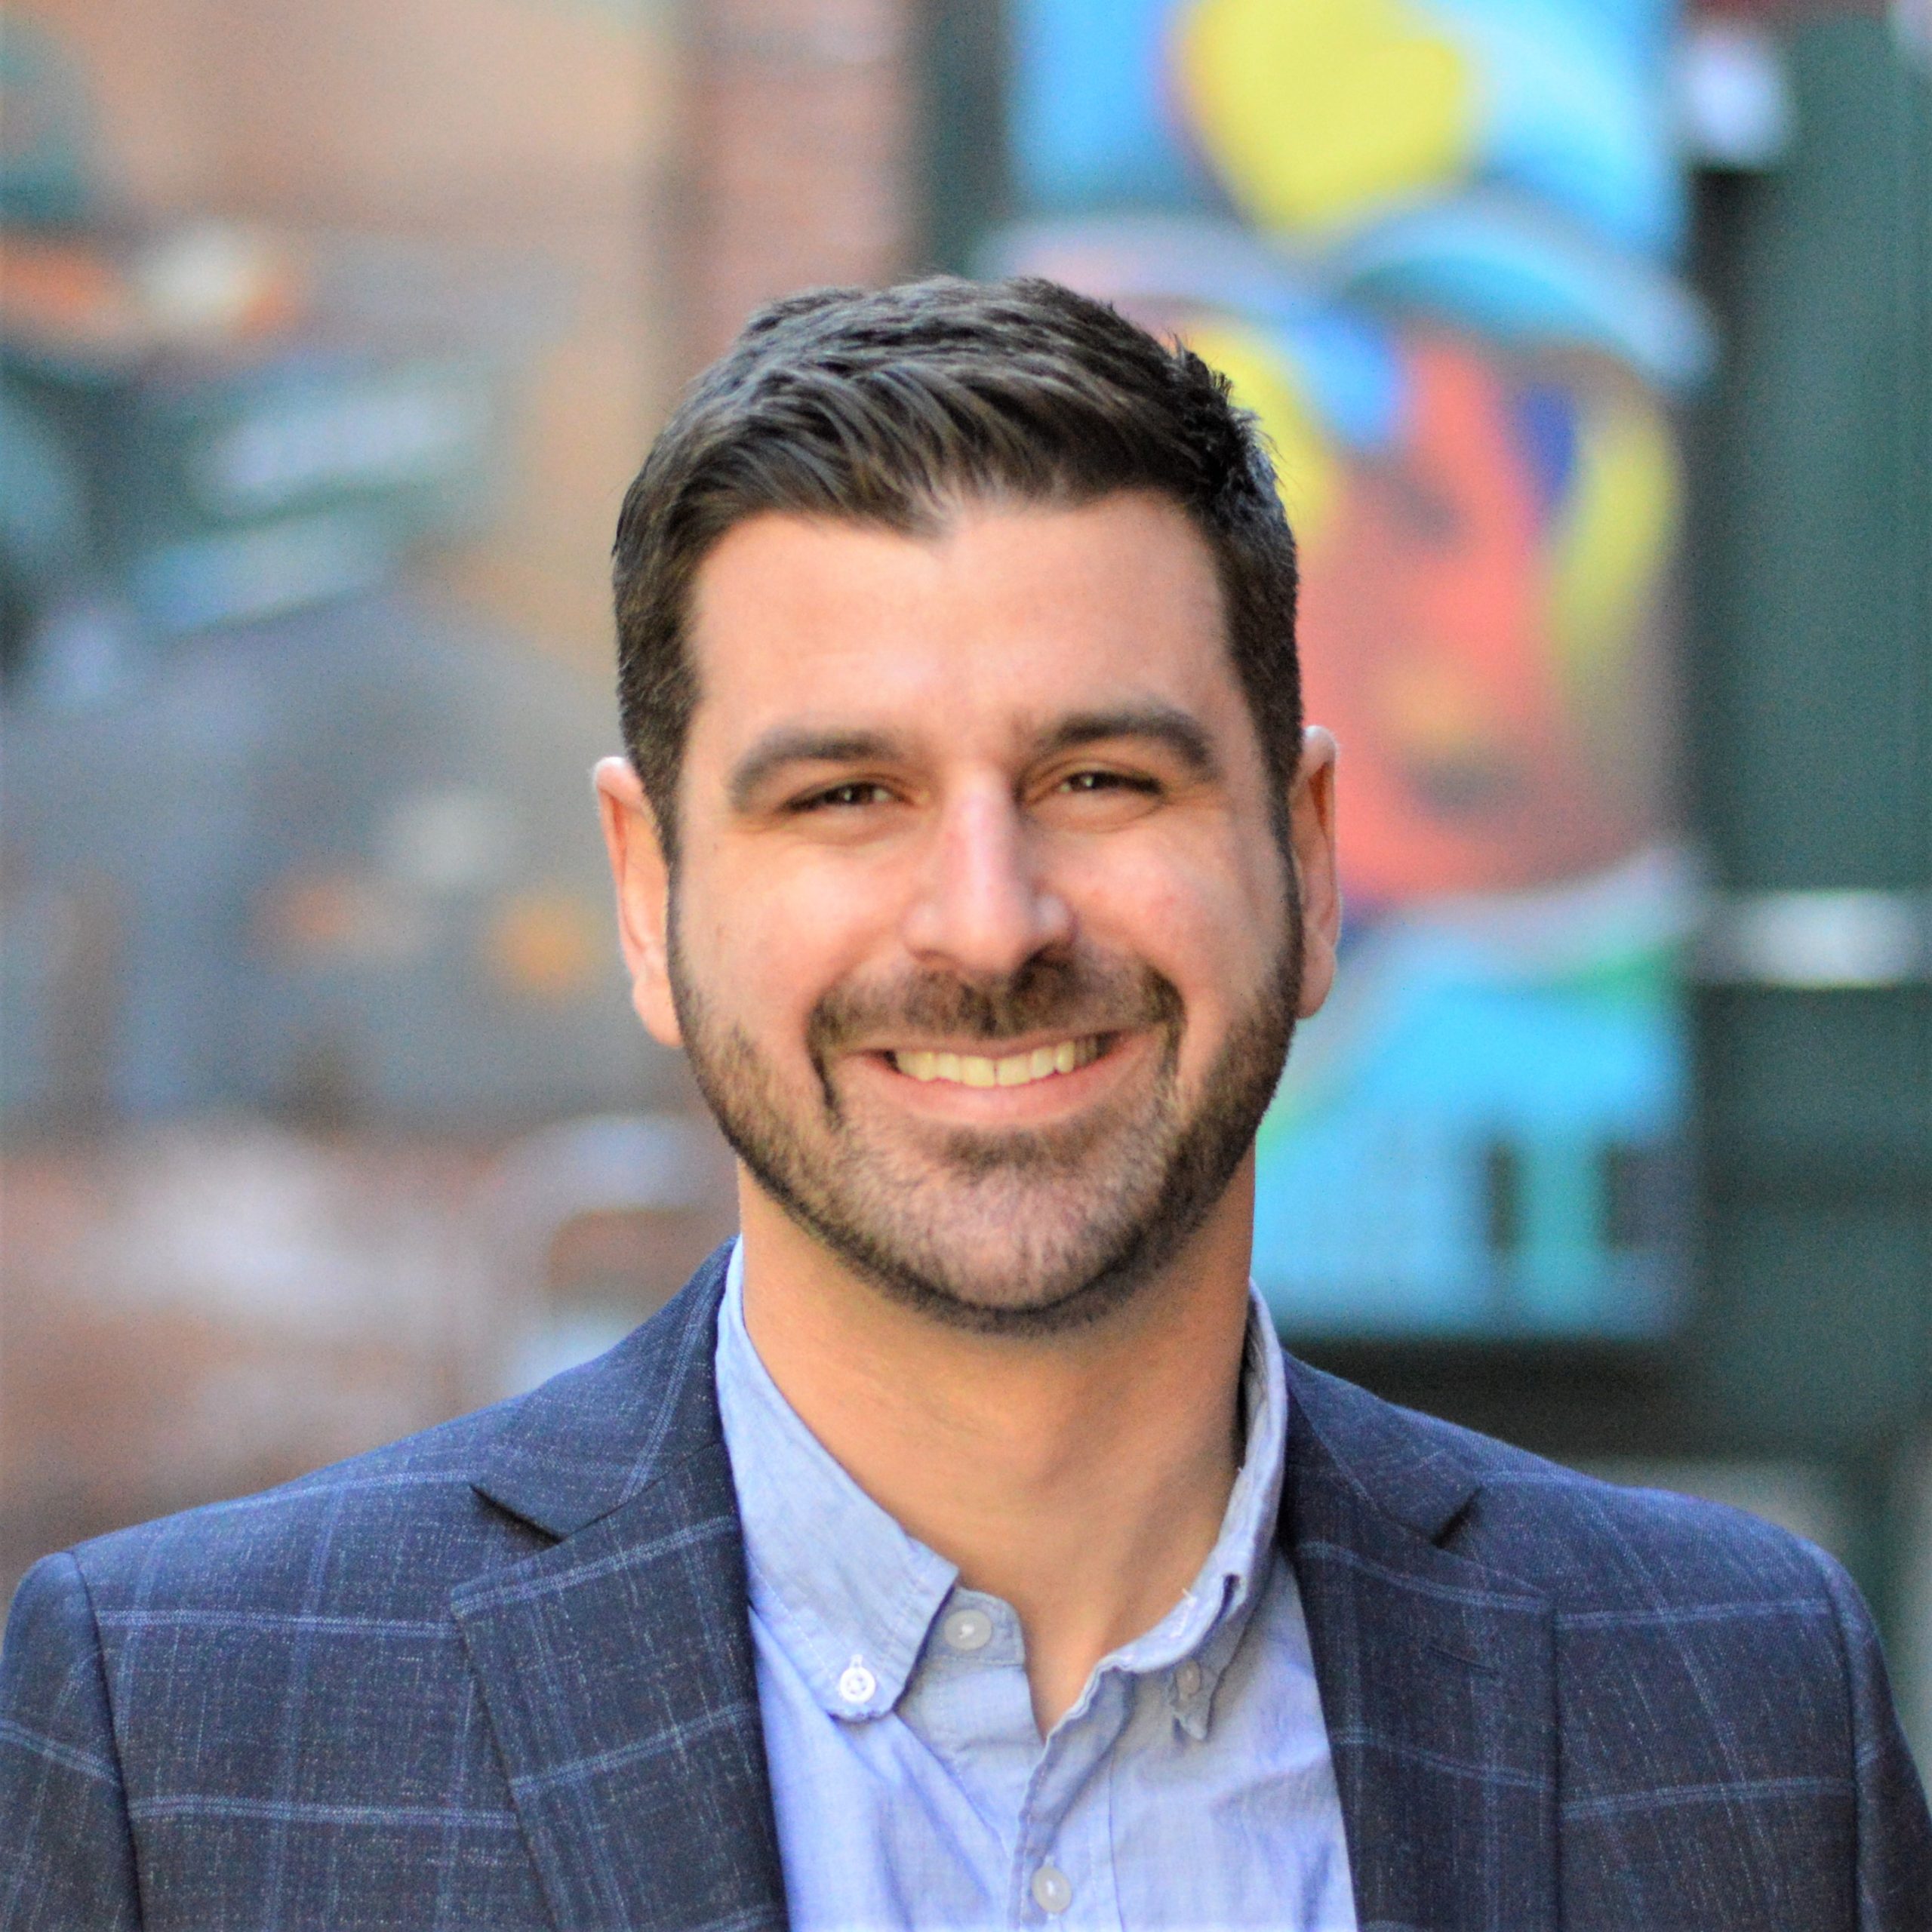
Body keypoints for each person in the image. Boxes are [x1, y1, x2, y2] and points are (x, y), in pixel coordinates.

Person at [1, 277, 1925, 1931]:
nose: (988, 921)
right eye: (846, 794)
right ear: (649, 900)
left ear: (1309, 859)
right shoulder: (189, 1740)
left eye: (1099, 776)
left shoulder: (1737, 1709)